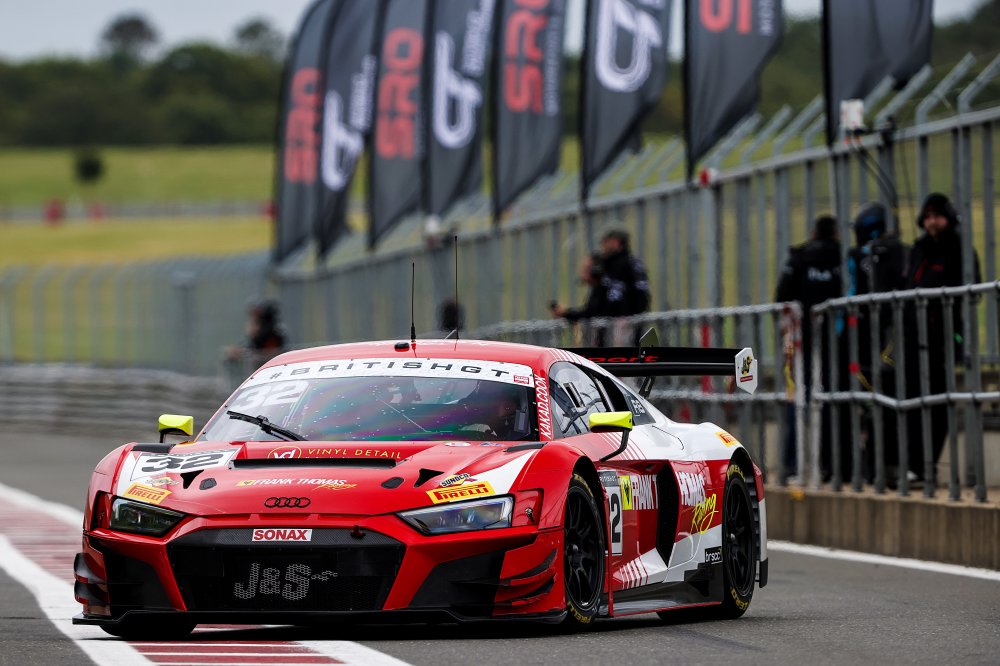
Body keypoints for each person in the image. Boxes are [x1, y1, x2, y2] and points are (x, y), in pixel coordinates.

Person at [901, 192, 981, 484]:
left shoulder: (959, 249)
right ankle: (914, 465)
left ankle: (926, 464)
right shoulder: (918, 249)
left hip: (943, 339)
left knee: (938, 401)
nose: (932, 223)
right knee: (912, 401)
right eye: (928, 217)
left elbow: (970, 289)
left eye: (938, 216)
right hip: (913, 338)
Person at [775, 214, 842, 482]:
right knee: (832, 399)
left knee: (798, 399)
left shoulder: (798, 259)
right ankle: (829, 465)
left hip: (800, 343)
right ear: (836, 234)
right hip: (836, 344)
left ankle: (793, 465)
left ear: (813, 233)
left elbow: (781, 297)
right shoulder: (840, 259)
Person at [846, 202, 907, 480]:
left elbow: (850, 293)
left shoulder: (861, 256)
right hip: (883, 342)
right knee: (877, 401)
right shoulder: (898, 252)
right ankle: (878, 466)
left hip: (877, 343)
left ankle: (882, 466)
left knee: (878, 400)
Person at [550, 253, 612, 346]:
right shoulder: (598, 289)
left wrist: (566, 313)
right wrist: (566, 313)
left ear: (596, 270)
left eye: (586, 268)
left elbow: (589, 314)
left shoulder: (602, 290)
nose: (582, 271)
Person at [227, 299, 287, 369]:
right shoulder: (257, 337)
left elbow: (268, 353)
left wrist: (244, 353)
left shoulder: (272, 337)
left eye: (255, 320)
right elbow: (251, 346)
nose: (249, 324)